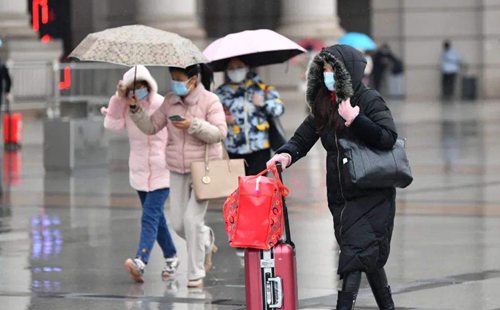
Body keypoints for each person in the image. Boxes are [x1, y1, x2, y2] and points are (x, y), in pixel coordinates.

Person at [268, 44, 398, 309]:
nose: (328, 77)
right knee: (365, 257)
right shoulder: (325, 104)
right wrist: (287, 154)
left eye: (331, 71)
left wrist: (356, 119)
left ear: (346, 73)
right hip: (342, 195)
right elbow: (304, 136)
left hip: (371, 193)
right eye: (324, 71)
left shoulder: (369, 99)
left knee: (353, 259)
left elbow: (388, 138)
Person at [128, 63, 227, 288]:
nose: (176, 83)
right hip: (176, 168)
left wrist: (193, 125)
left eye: (179, 78)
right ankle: (206, 238)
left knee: (192, 220)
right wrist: (136, 110)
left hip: (204, 168)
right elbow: (152, 127)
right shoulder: (170, 101)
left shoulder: (210, 100)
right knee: (179, 224)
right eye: (173, 78)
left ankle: (195, 274)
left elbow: (219, 133)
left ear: (193, 80)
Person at [101, 65, 179, 283]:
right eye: (133, 88)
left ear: (149, 86)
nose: (138, 91)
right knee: (157, 218)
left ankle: (140, 260)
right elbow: (111, 124)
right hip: (139, 171)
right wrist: (117, 99)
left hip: (163, 170)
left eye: (142, 86)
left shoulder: (161, 103)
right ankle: (172, 257)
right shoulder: (125, 105)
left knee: (149, 216)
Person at [215, 57, 284, 176]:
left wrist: (262, 103)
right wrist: (222, 118)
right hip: (233, 149)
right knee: (238, 188)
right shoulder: (221, 93)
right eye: (231, 68)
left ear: (247, 67)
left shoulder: (262, 88)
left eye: (239, 67)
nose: (235, 71)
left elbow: (279, 109)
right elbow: (211, 116)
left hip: (259, 148)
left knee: (257, 187)